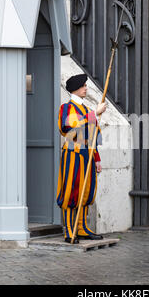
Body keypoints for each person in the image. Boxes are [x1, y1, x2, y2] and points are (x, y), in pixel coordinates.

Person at [56, 74, 107, 244]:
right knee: (72, 191)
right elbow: (69, 127)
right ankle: (69, 231)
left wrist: (97, 158)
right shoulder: (66, 107)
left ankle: (82, 227)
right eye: (83, 86)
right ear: (75, 89)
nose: (86, 88)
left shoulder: (86, 109)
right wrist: (94, 114)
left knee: (86, 191)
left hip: (88, 153)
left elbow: (93, 136)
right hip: (73, 151)